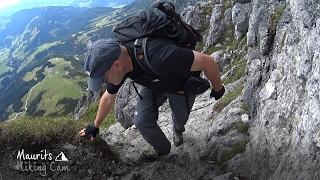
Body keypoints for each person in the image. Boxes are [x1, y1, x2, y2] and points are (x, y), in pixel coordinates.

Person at [79, 38, 225, 162]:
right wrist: (95, 126)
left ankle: (178, 130)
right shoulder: (121, 62)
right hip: (152, 83)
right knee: (141, 121)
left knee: (181, 120)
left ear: (116, 65)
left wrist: (218, 88)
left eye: (104, 78)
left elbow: (207, 61)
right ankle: (162, 149)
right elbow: (109, 96)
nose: (105, 82)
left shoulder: (160, 56)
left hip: (178, 87)